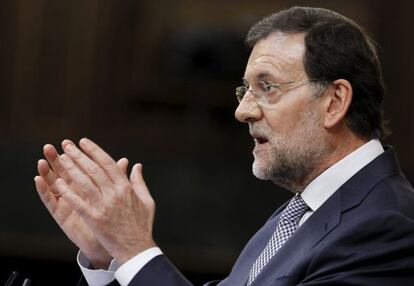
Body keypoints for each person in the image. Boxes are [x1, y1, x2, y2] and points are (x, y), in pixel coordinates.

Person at [34, 6, 414, 286]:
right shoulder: (302, 211)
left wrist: (135, 249)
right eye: (244, 89)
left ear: (334, 101)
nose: (242, 110)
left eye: (267, 87)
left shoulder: (388, 227)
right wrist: (109, 256)